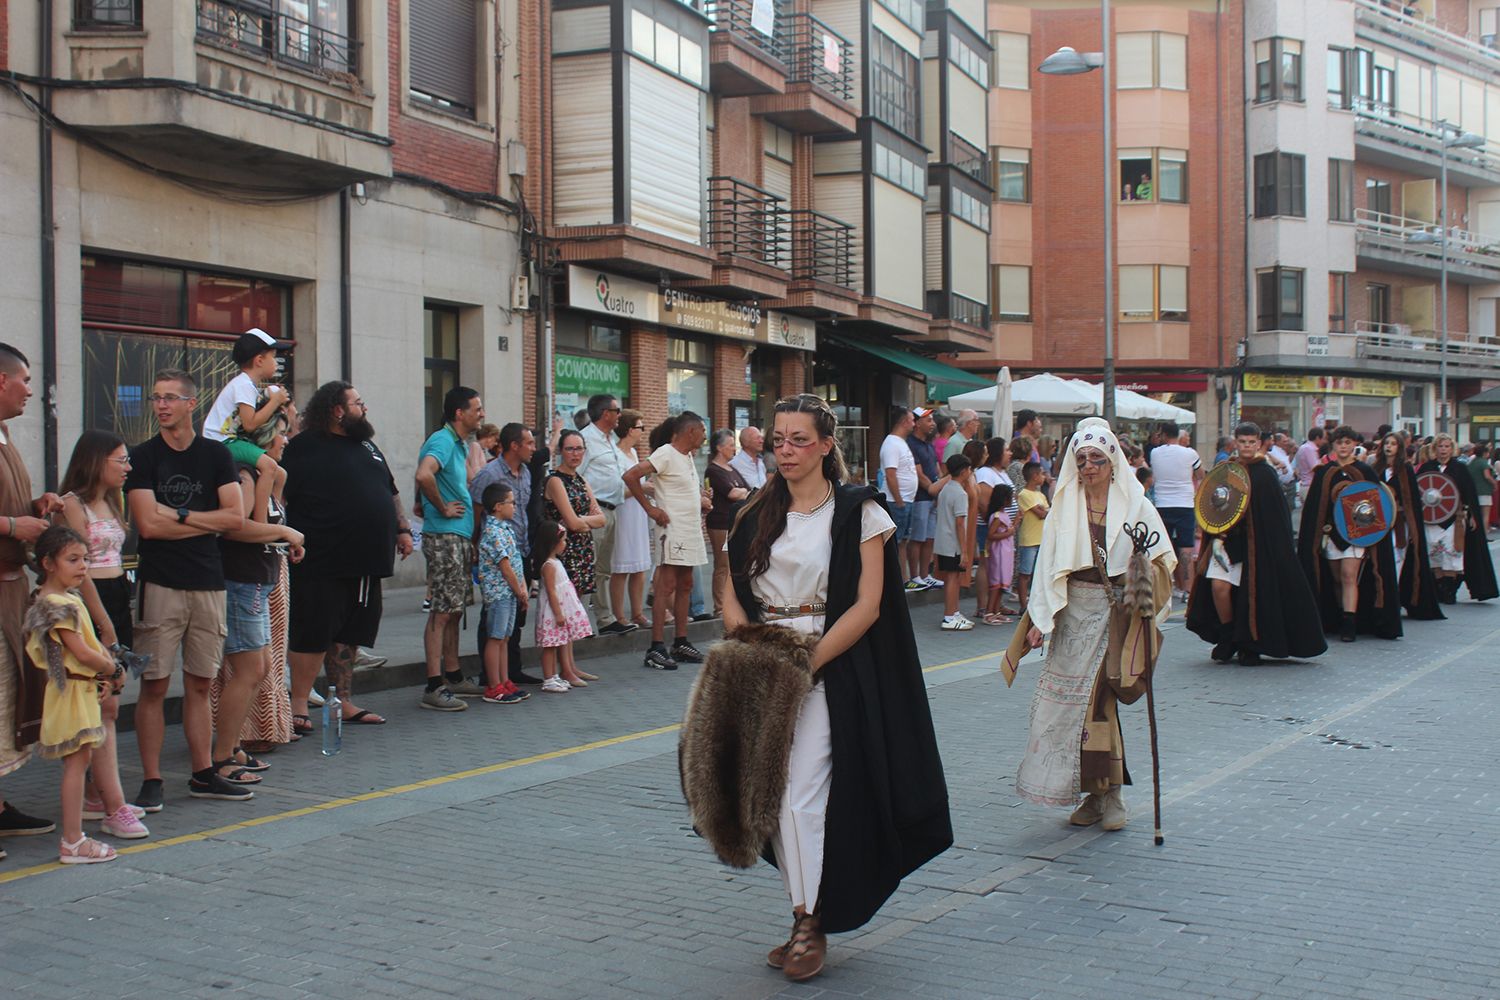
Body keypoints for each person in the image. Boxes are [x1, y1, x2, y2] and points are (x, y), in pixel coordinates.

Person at [721, 393, 951, 982]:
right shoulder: (755, 511)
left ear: (827, 445)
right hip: (764, 665)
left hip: (830, 666)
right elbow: (730, 589)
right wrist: (757, 652)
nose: (786, 450)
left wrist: (805, 665)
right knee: (769, 798)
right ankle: (805, 912)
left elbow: (869, 605)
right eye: (778, 439)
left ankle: (808, 920)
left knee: (799, 791)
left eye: (799, 439)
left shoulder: (859, 512)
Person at [1006, 418, 1176, 832]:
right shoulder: (1064, 506)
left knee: (1098, 704)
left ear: (1112, 461)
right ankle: (1095, 794)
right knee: (1067, 711)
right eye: (1080, 459)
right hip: (1070, 616)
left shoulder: (1137, 506)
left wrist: (1140, 572)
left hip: (1114, 614)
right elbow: (1048, 570)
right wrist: (1040, 621)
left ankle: (1111, 793)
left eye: (1096, 458)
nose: (1088, 466)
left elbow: (1162, 562)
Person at [127, 369, 247, 809]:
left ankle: (202, 773)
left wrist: (176, 515)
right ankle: (152, 779)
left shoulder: (215, 455)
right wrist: (202, 521)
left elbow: (235, 518)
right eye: (156, 398)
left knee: (200, 683)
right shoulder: (143, 457)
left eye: (170, 398)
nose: (161, 406)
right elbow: (145, 525)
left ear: (191, 404)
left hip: (208, 583)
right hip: (160, 583)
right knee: (155, 685)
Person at [280, 381, 413, 737]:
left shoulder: (367, 446)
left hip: (366, 560)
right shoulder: (302, 447)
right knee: (314, 630)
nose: (364, 408)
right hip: (322, 558)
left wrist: (401, 527)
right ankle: (298, 704)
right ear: (338, 410)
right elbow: (281, 497)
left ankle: (343, 700)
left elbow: (390, 489)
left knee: (351, 632)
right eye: (358, 403)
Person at [24, 527, 134, 863]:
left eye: (85, 558)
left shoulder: (68, 598)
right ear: (48, 563)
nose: (83, 566)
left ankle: (75, 838)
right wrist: (111, 669)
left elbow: (88, 648)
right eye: (73, 559)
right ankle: (72, 840)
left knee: (81, 760)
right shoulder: (55, 603)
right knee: (76, 763)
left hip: (79, 687)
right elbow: (82, 652)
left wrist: (104, 670)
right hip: (70, 691)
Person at [210, 415, 305, 789]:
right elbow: (239, 527)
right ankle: (223, 755)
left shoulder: (262, 473)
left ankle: (232, 747)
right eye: (281, 432)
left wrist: (284, 541)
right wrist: (282, 531)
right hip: (241, 581)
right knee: (248, 669)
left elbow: (263, 520)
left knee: (261, 666)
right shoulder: (244, 474)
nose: (286, 440)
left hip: (258, 579)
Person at [1185, 423, 1327, 666]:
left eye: (1252, 442)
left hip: (1258, 546)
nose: (1247, 447)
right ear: (1236, 443)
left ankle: (1250, 643)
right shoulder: (1225, 470)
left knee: (1254, 594)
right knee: (1219, 588)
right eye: (1243, 442)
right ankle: (1228, 636)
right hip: (1227, 542)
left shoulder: (1265, 474)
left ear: (1259, 444)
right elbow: (1212, 505)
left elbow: (1275, 517)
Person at [57, 432, 143, 821]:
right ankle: (107, 798)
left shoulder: (112, 499)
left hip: (116, 595)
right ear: (97, 461)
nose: (127, 467)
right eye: (120, 460)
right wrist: (104, 624)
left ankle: (100, 792)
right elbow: (82, 569)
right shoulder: (72, 504)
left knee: (111, 700)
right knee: (99, 700)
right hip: (90, 602)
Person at [0, 343, 64, 849]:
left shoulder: (5, 436)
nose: (30, 389)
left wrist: (34, 505)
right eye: (24, 379)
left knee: (7, 703)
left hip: (11, 588)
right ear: (1, 381)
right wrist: (10, 524)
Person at [414, 386, 486, 711]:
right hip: (443, 535)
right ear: (460, 413)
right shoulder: (442, 441)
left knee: (455, 609)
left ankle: (454, 675)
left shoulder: (459, 444)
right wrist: (442, 508)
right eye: (477, 408)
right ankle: (433, 684)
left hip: (456, 536)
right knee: (443, 611)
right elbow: (423, 474)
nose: (481, 414)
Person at [1298, 426, 1403, 642]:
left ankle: (1350, 622)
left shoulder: (1364, 471)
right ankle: (1339, 615)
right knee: (1336, 578)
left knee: (1349, 576)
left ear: (1354, 444)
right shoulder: (1324, 473)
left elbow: (1377, 504)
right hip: (1332, 534)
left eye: (1347, 442)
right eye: (1339, 443)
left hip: (1358, 535)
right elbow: (1316, 508)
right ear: (1333, 445)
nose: (1343, 446)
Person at [624, 412, 710, 671]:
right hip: (671, 530)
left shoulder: (687, 457)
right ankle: (656, 647)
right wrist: (651, 509)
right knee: (666, 586)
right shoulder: (665, 453)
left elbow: (681, 490)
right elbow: (631, 475)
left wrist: (701, 501)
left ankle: (680, 641)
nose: (705, 436)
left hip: (690, 529)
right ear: (691, 432)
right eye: (702, 431)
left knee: (686, 583)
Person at [201, 329, 292, 542]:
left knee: (279, 474)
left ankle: (275, 515)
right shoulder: (243, 385)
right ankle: (262, 526)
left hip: (229, 439)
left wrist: (270, 396)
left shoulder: (246, 385)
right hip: (223, 441)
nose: (276, 362)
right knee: (269, 467)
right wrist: (275, 402)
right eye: (273, 357)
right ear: (259, 360)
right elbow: (250, 423)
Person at [470, 423, 543, 686]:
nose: (534, 448)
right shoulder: (489, 473)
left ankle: (512, 670)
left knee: (516, 615)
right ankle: (489, 676)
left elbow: (525, 511)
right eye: (529, 443)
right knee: (493, 619)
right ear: (515, 445)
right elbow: (477, 510)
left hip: (519, 548)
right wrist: (475, 547)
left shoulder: (525, 472)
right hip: (496, 552)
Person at [1370, 431, 1443, 621]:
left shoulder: (1405, 470)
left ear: (1399, 447)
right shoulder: (1376, 469)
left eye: (1393, 444)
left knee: (1397, 561)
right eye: (1387, 443)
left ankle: (1393, 601)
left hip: (1399, 523)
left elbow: (1411, 501)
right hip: (1378, 523)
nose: (1389, 447)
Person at [1417, 433, 1499, 604]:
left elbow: (1468, 493)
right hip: (1431, 521)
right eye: (1440, 446)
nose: (1443, 450)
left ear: (1451, 448)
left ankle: (1450, 589)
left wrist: (1471, 515)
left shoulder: (1459, 468)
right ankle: (1439, 588)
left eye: (1447, 446)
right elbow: (1419, 490)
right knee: (1434, 555)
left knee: (1453, 554)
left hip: (1453, 519)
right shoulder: (1427, 468)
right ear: (1435, 448)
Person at [580, 394, 632, 636]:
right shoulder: (585, 439)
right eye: (616, 410)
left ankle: (605, 618)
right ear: (605, 414)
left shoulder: (610, 439)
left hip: (612, 510)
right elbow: (575, 476)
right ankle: (579, 623)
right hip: (594, 511)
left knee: (602, 569)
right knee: (586, 567)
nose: (619, 414)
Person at [476, 483, 529, 704]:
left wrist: (522, 587)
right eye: (511, 503)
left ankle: (505, 681)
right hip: (500, 593)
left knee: (504, 638)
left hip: (509, 593)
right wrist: (520, 591)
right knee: (496, 638)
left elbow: (515, 562)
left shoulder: (505, 528)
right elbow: (505, 566)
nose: (515, 507)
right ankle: (493, 686)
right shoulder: (493, 531)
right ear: (498, 506)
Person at [543, 428, 606, 613]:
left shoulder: (581, 480)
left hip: (583, 549)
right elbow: (572, 524)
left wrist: (582, 519)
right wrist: (586, 520)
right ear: (560, 451)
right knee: (563, 609)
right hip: (564, 550)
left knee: (576, 611)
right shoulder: (555, 480)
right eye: (570, 449)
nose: (575, 453)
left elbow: (602, 519)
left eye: (579, 449)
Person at [535, 520, 593, 692]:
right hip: (553, 611)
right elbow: (552, 592)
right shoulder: (549, 566)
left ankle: (554, 676)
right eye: (564, 540)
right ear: (553, 542)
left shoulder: (556, 562)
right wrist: (558, 613)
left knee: (556, 642)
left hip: (558, 609)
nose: (566, 544)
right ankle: (549, 678)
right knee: (550, 646)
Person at [1148, 420, 1203, 600]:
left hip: (1162, 504)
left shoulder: (1154, 453)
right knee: (1186, 548)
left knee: (1163, 548)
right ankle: (1188, 590)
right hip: (1185, 504)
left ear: (1162, 434)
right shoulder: (1190, 454)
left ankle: (1165, 587)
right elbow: (1200, 474)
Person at [610, 411, 652, 629]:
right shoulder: (615, 454)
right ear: (629, 430)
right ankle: (619, 615)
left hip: (637, 512)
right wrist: (642, 487)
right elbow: (615, 489)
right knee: (621, 566)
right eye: (640, 427)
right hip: (623, 512)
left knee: (639, 566)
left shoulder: (634, 453)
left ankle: (637, 613)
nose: (642, 431)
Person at [706, 429, 751, 616]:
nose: (734, 449)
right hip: (719, 522)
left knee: (735, 565)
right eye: (731, 445)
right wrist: (740, 492)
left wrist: (741, 491)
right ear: (719, 447)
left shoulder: (733, 469)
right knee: (722, 565)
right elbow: (732, 493)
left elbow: (749, 490)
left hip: (735, 522)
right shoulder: (713, 470)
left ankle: (731, 604)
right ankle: (719, 606)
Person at [878, 407, 920, 589]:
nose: (914, 423)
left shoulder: (900, 442)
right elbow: (890, 474)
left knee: (903, 541)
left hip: (905, 499)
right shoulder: (892, 444)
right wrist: (899, 499)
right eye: (912, 420)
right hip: (896, 501)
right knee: (896, 541)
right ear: (904, 422)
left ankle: (903, 578)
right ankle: (895, 580)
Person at [932, 454, 974, 631]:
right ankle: (949, 616)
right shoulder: (960, 493)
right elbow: (960, 523)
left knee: (953, 578)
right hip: (953, 544)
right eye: (969, 469)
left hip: (943, 541)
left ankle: (954, 612)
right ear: (964, 471)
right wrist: (964, 551)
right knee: (952, 579)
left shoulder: (946, 489)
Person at [906, 408, 942, 589]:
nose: (932, 424)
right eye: (928, 420)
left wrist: (938, 489)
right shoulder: (911, 444)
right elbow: (918, 474)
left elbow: (936, 469)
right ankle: (914, 576)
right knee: (917, 537)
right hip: (920, 497)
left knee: (929, 538)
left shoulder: (929, 444)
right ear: (918, 422)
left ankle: (925, 574)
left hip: (932, 496)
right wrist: (933, 489)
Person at [1015, 461, 1049, 610]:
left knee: (1037, 575)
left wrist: (1044, 511)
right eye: (1041, 473)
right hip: (1029, 540)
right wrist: (1043, 511)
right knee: (1025, 574)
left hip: (1041, 539)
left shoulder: (1040, 495)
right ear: (1035, 476)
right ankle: (1023, 605)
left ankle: (1034, 605)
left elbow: (1047, 511)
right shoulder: (1024, 494)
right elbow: (1042, 513)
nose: (1044, 476)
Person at [984, 483, 1017, 624]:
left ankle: (996, 611)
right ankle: (989, 612)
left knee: (1001, 584)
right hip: (999, 553)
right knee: (996, 584)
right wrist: (1008, 533)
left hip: (1006, 552)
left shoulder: (1004, 515)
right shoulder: (997, 516)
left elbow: (1010, 529)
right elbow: (991, 535)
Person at [1294, 427, 1325, 502]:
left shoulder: (1303, 447)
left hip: (1306, 485)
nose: (1323, 441)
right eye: (1322, 438)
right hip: (1310, 486)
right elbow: (1315, 468)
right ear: (1317, 437)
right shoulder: (1309, 449)